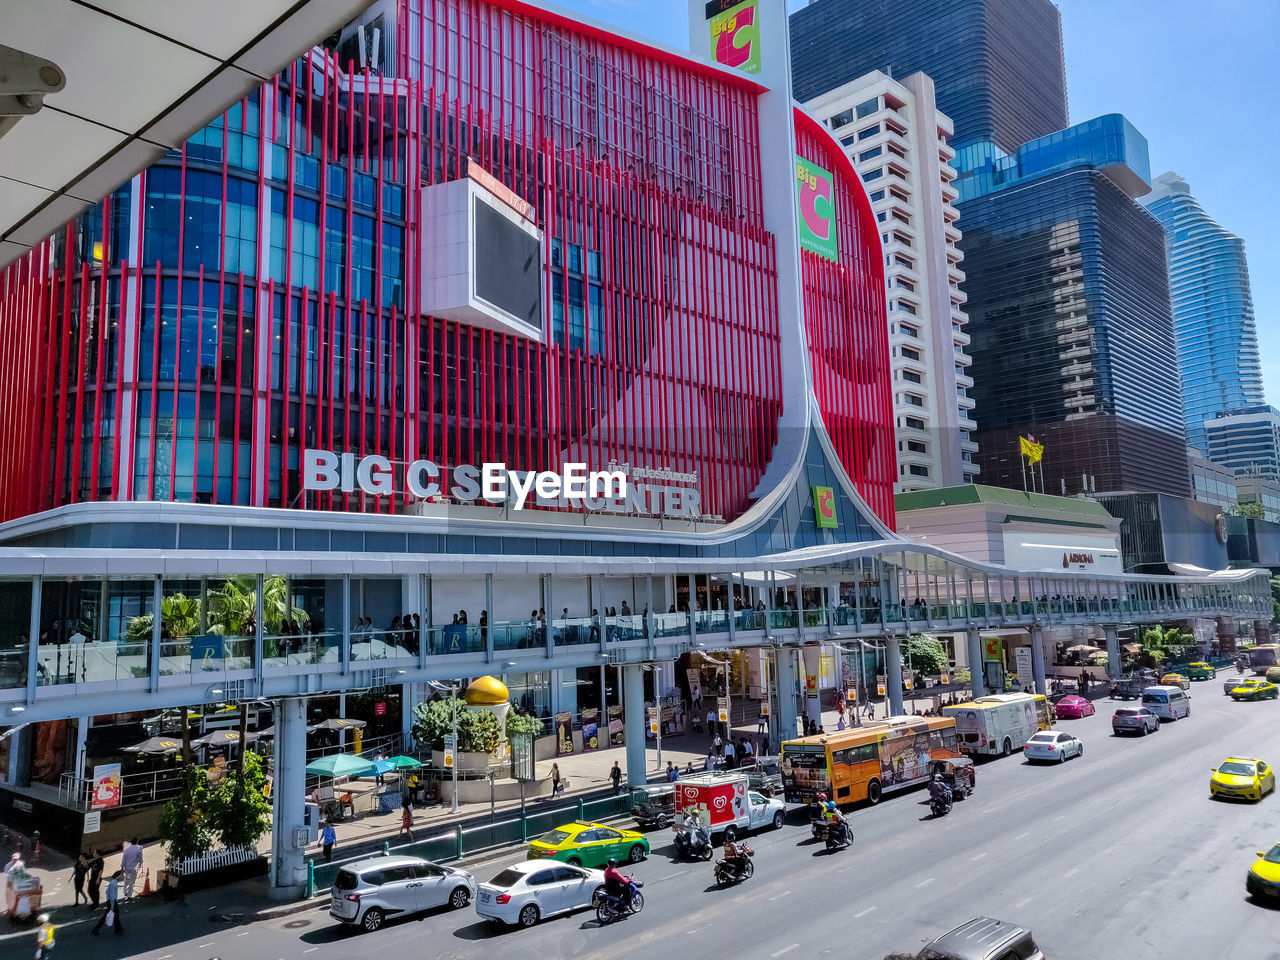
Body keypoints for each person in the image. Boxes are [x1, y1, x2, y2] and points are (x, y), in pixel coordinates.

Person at [91, 870, 124, 936]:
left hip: (111, 902)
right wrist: (112, 906)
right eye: (122, 875)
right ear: (119, 876)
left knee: (115, 915)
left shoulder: (113, 882)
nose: (123, 877)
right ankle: (96, 929)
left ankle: (118, 928)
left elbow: (107, 892)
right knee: (109, 915)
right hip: (112, 902)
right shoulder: (113, 883)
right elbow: (112, 896)